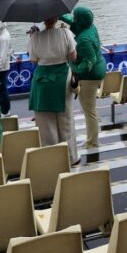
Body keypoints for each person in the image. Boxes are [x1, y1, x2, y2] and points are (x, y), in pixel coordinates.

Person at [28, 16, 79, 165]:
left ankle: (52, 160)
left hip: (42, 79)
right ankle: (71, 157)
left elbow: (33, 60)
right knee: (66, 119)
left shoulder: (35, 37)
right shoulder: (65, 33)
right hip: (62, 77)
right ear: (56, 17)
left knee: (45, 123)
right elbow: (73, 56)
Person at [61, 7, 106, 148]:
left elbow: (90, 61)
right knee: (90, 107)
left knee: (89, 109)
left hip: (91, 75)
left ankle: (92, 142)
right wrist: (59, 15)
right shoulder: (90, 26)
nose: (73, 18)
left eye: (76, 17)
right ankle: (92, 138)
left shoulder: (84, 39)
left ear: (80, 20)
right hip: (100, 67)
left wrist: (74, 67)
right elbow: (73, 22)